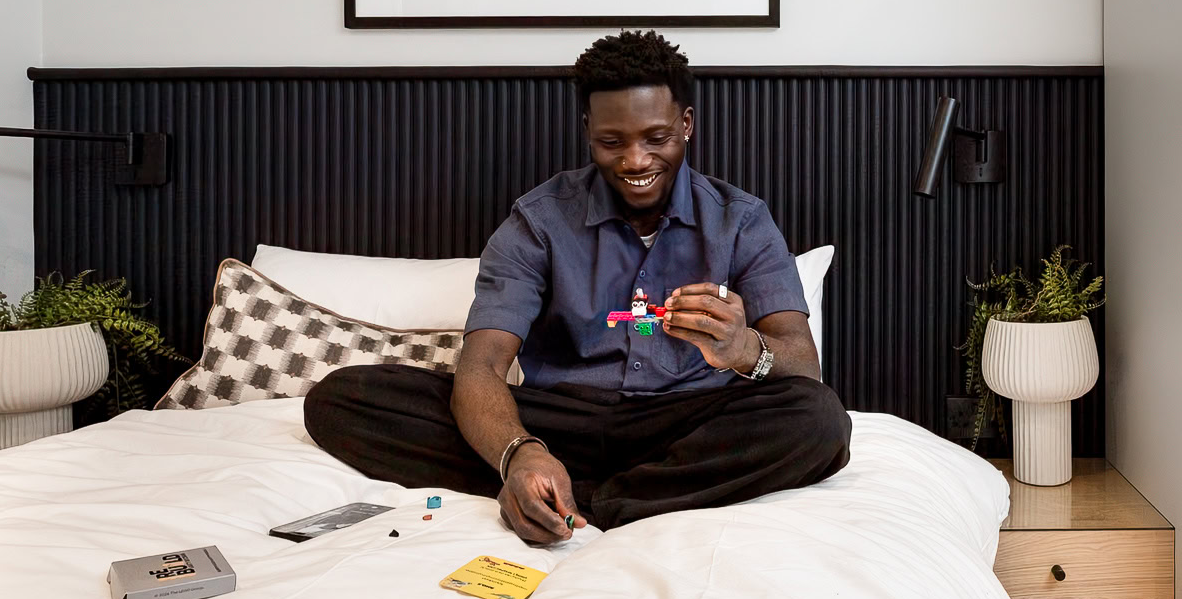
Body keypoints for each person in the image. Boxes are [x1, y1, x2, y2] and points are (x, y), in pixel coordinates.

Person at [304, 30, 851, 542]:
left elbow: (803, 367)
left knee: (819, 418)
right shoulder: (538, 221)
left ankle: (592, 502)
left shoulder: (742, 221)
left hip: (689, 426)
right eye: (612, 141)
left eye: (656, 138)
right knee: (343, 397)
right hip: (559, 419)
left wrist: (742, 349)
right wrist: (520, 452)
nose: (636, 161)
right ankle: (549, 478)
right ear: (587, 129)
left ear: (686, 123)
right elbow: (483, 366)